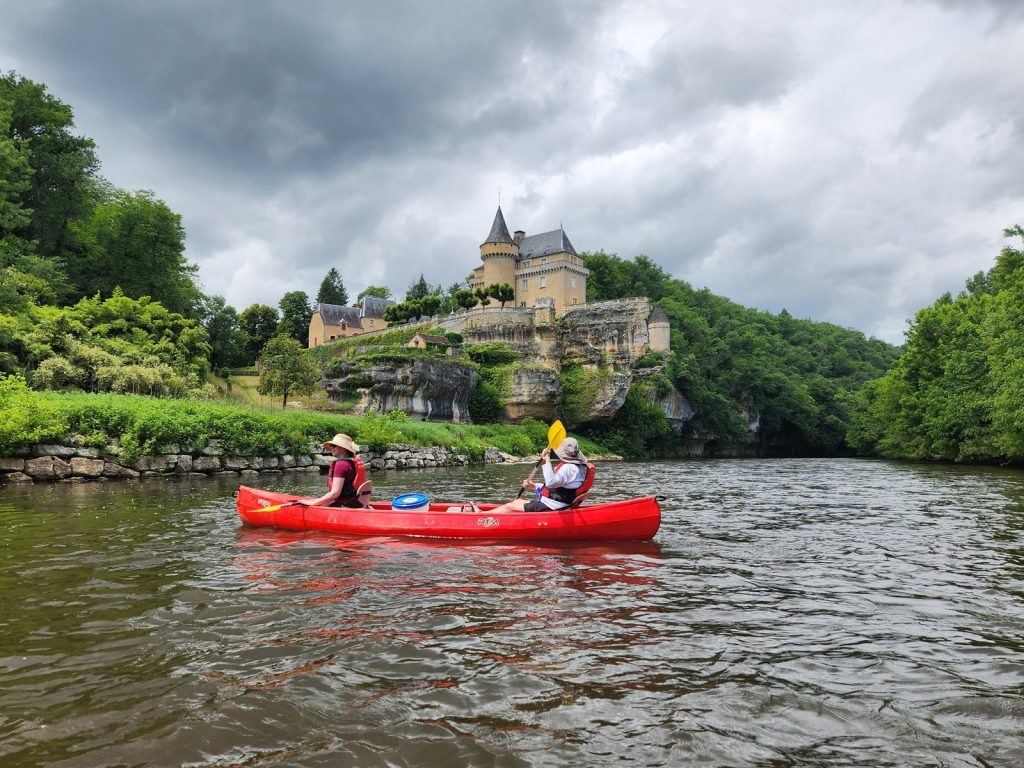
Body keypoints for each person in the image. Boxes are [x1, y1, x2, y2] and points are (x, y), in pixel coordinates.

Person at [483, 437, 591, 514]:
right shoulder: (576, 468)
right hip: (555, 504)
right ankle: (487, 515)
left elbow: (550, 483)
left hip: (552, 507)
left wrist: (547, 460)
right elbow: (558, 487)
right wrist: (533, 485)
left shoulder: (569, 468)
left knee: (509, 506)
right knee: (516, 502)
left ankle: (482, 517)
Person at [299, 433, 366, 508]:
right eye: (331, 445)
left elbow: (335, 493)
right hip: (354, 502)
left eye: (334, 445)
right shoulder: (351, 463)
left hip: (343, 505)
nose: (331, 448)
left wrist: (313, 503)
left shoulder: (341, 464)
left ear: (344, 448)